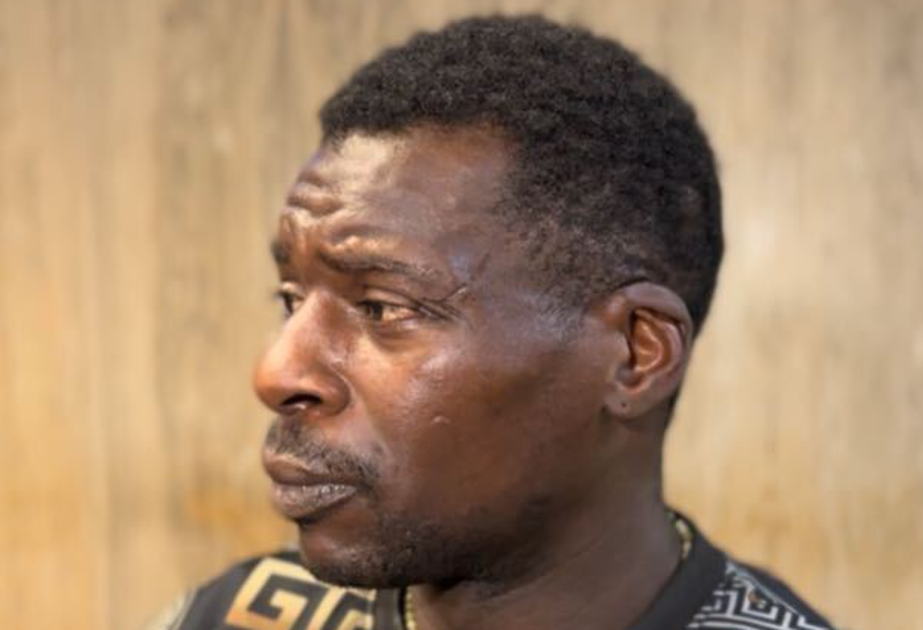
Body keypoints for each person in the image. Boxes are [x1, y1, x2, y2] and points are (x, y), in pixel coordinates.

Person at [148, 14, 836, 630]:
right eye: (292, 299)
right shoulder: (228, 617)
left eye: (383, 308)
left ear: (635, 354)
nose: (277, 372)